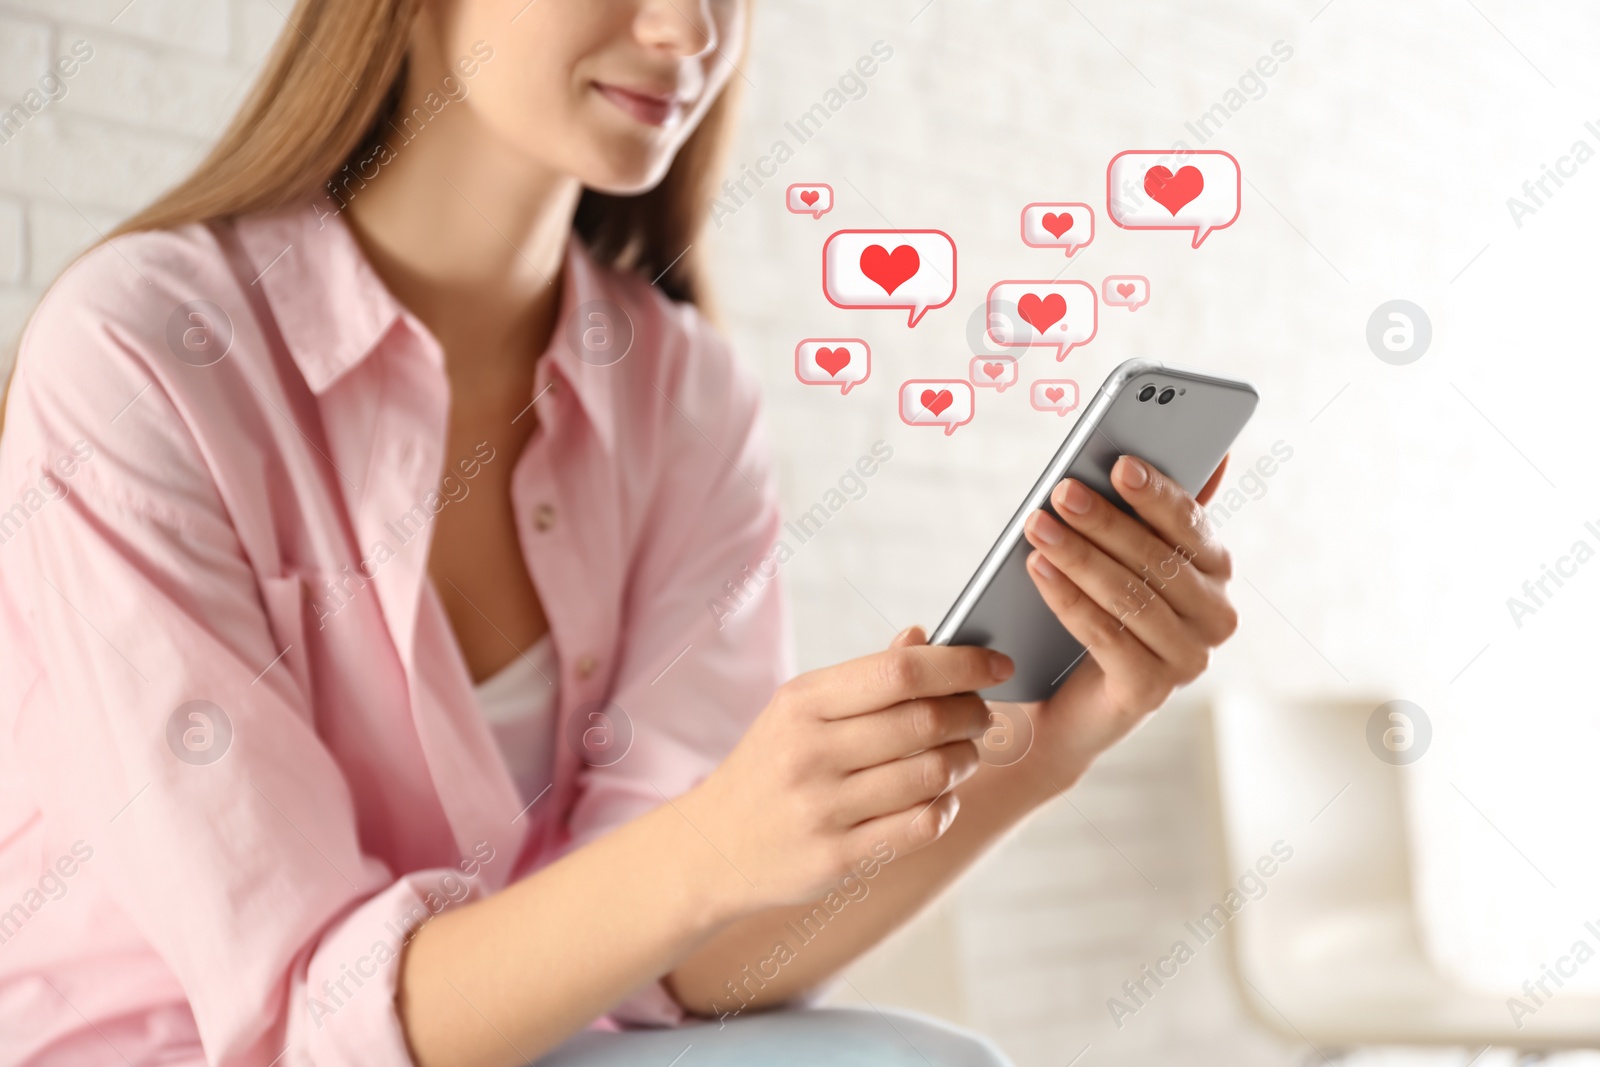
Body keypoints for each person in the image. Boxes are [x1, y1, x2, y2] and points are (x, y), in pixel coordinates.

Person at [0, 2, 1239, 1064]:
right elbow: (298, 1020)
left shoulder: (683, 395)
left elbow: (685, 958)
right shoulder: (141, 355)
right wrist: (705, 846)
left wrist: (1036, 747)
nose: (690, 31)